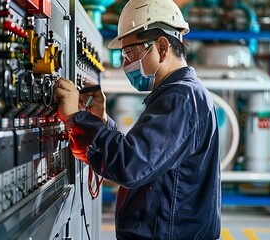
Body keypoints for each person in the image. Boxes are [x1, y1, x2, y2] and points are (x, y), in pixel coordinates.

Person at [53, 0, 221, 239]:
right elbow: (146, 154)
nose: (124, 64)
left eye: (129, 52)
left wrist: (75, 120)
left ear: (162, 47)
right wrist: (100, 120)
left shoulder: (180, 97)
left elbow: (132, 165)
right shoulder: (181, 94)